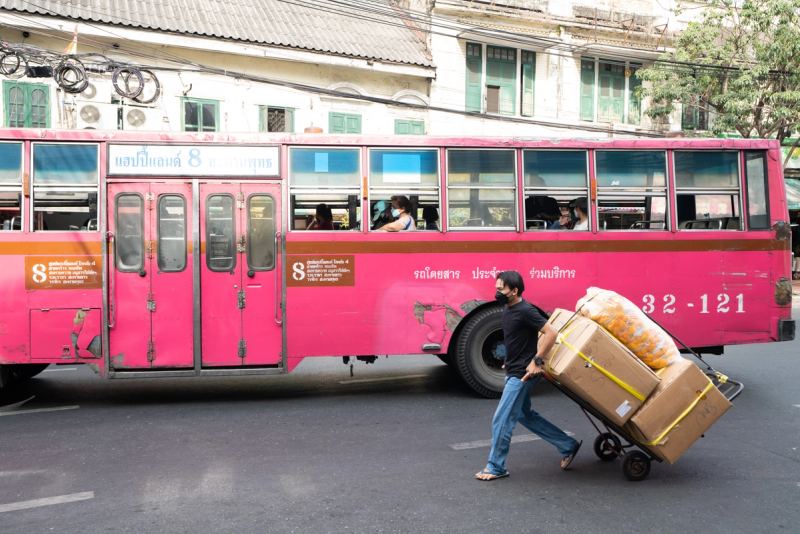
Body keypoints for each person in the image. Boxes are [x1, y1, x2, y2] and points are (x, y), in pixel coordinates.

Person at [475, 270, 581, 481]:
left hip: (523, 374)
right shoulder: (508, 308)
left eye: (501, 289)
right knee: (524, 414)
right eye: (496, 288)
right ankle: (567, 444)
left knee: (501, 419)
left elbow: (551, 333)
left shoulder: (526, 310)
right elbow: (518, 338)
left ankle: (496, 467)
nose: (497, 293)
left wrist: (536, 361)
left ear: (514, 291)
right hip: (514, 368)